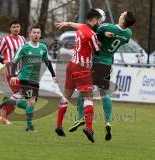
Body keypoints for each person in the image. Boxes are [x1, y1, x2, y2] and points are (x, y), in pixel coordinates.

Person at [57, 11, 136, 141]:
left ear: (123, 19)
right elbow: (119, 38)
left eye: (123, 13)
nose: (121, 13)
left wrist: (70, 23)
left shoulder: (108, 27)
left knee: (85, 91)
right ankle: (108, 121)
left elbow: (87, 29)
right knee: (104, 93)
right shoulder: (128, 33)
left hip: (95, 61)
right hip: (107, 64)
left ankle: (80, 117)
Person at [55, 9, 104, 143]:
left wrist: (67, 23)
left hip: (71, 66)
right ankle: (89, 128)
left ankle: (59, 125)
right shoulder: (92, 34)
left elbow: (76, 25)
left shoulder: (81, 28)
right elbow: (97, 51)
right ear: (94, 19)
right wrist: (102, 41)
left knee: (66, 96)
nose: (99, 23)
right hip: (82, 68)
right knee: (89, 98)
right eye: (99, 21)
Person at [1, 25, 57, 131]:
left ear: (40, 35)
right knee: (31, 102)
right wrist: (13, 76)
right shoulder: (25, 48)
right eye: (34, 33)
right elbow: (14, 62)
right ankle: (29, 126)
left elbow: (47, 61)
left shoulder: (43, 48)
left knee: (30, 103)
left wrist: (53, 74)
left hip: (35, 79)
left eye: (38, 33)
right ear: (30, 34)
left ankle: (9, 101)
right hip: (25, 77)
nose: (36, 35)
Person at [0, 20, 26, 125]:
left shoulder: (22, 39)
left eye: (17, 26)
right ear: (10, 28)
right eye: (14, 27)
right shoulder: (5, 40)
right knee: (18, 94)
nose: (16, 28)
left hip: (22, 71)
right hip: (11, 72)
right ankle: (4, 111)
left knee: (20, 95)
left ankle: (4, 109)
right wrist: (4, 61)